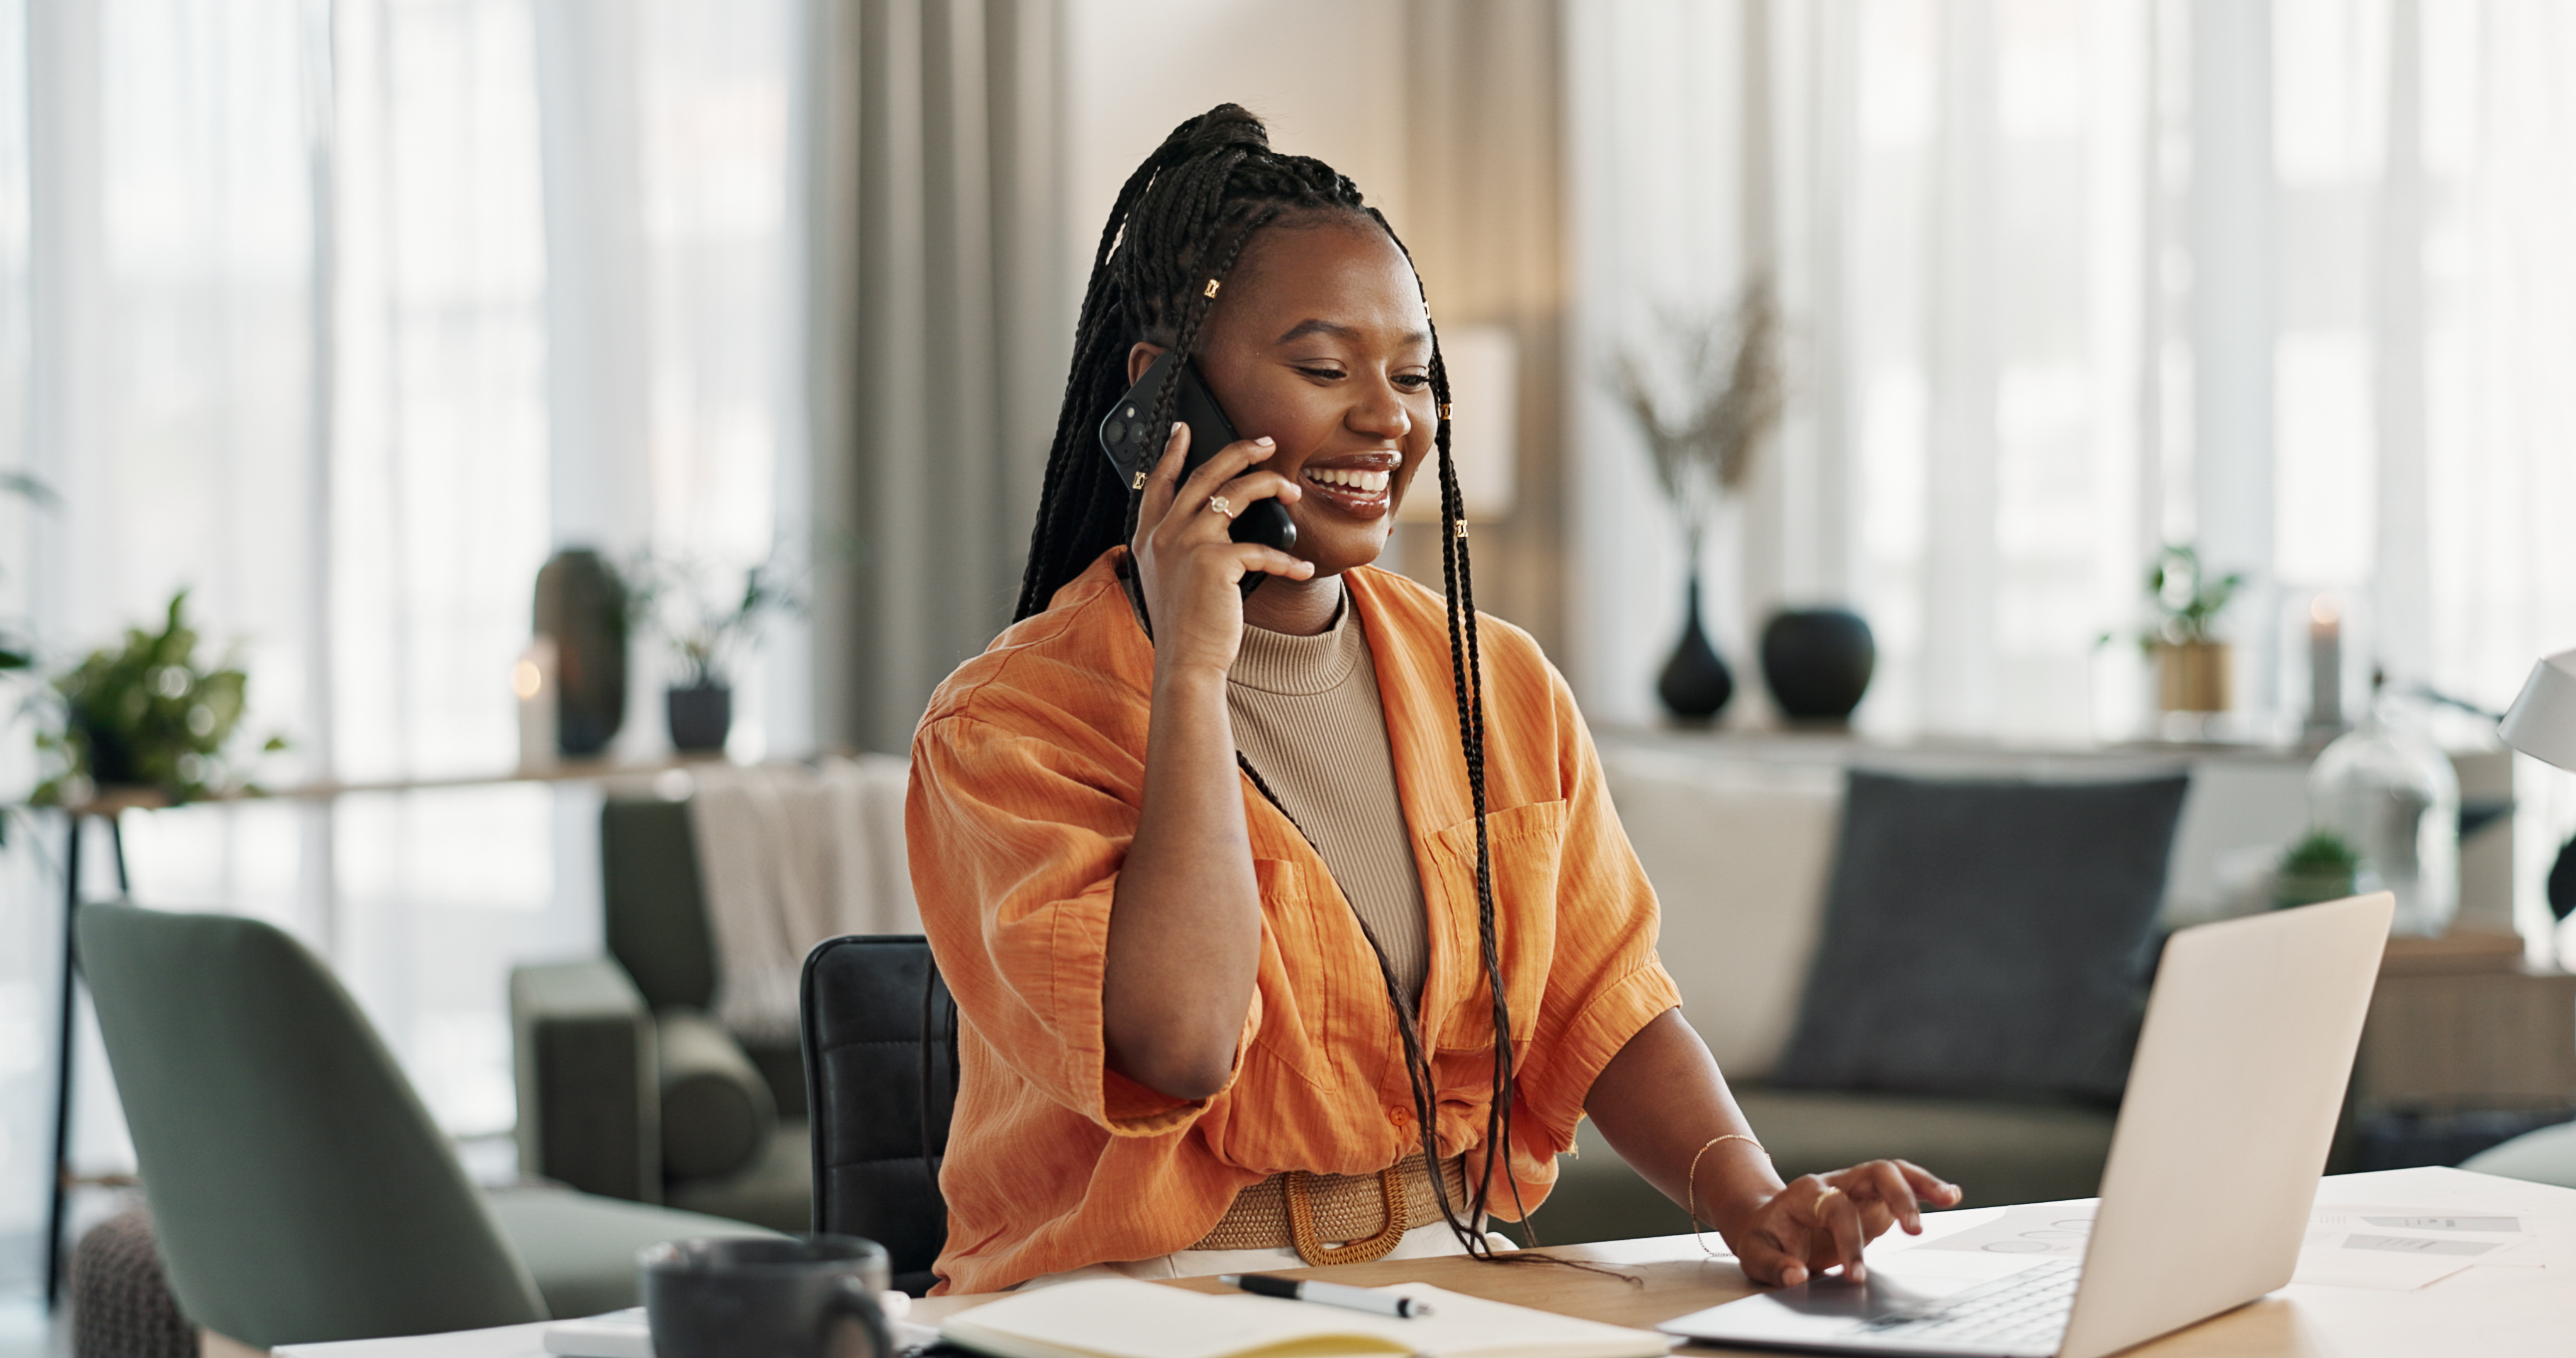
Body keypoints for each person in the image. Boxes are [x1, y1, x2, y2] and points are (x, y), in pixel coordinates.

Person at [905, 104, 1958, 1296]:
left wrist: (1754, 1198)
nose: (1388, 418)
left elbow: (1603, 1003)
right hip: (1134, 1304)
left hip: (1442, 1285)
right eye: (1322, 368)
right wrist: (1193, 672)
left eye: (1412, 373)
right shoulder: (1009, 722)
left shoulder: (1494, 681)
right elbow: (1179, 1044)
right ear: (1164, 396)